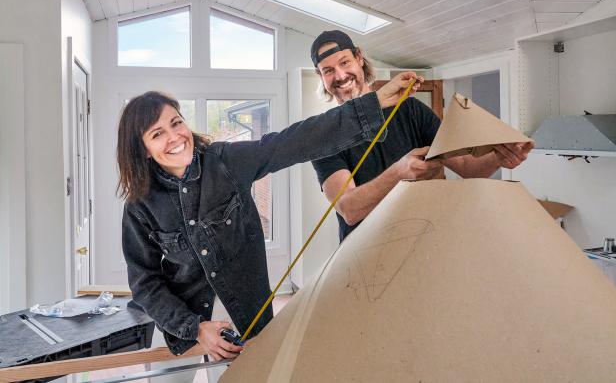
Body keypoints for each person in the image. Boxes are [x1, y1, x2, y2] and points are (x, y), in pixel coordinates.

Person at [116, 73, 420, 365]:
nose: (175, 137)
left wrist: (374, 102)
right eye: (158, 134)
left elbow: (293, 141)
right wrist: (194, 328)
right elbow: (145, 282)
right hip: (178, 326)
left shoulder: (226, 161)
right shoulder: (139, 206)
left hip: (243, 319)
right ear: (142, 150)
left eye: (176, 123)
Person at [310, 30, 534, 242]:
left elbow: (468, 166)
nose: (340, 75)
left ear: (359, 58)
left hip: (424, 245)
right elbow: (350, 210)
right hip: (364, 260)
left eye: (344, 62)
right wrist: (399, 172)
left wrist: (501, 157)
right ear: (320, 76)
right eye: (328, 70)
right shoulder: (324, 136)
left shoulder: (408, 109)